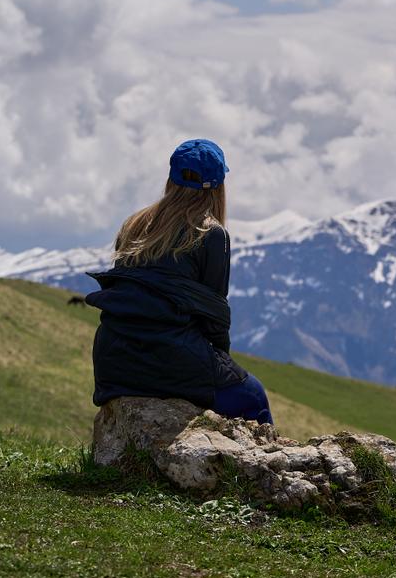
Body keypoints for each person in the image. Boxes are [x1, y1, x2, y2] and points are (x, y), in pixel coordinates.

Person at [86, 138, 273, 424]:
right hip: (172, 359)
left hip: (113, 359)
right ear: (218, 186)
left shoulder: (134, 224)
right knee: (253, 396)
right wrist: (219, 361)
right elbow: (214, 315)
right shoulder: (211, 234)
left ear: (171, 178)